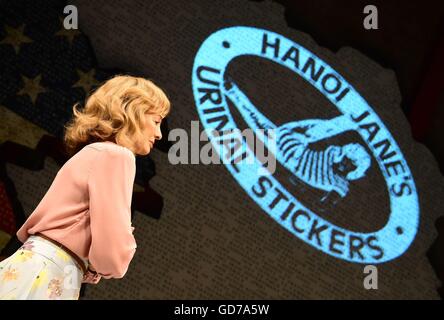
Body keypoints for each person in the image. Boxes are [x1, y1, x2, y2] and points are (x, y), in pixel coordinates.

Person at [0, 74, 171, 299]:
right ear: (132, 112)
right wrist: (120, 247)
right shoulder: (117, 157)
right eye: (156, 121)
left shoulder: (96, 153)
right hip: (49, 272)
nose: (159, 134)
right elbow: (111, 256)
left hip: (36, 265)